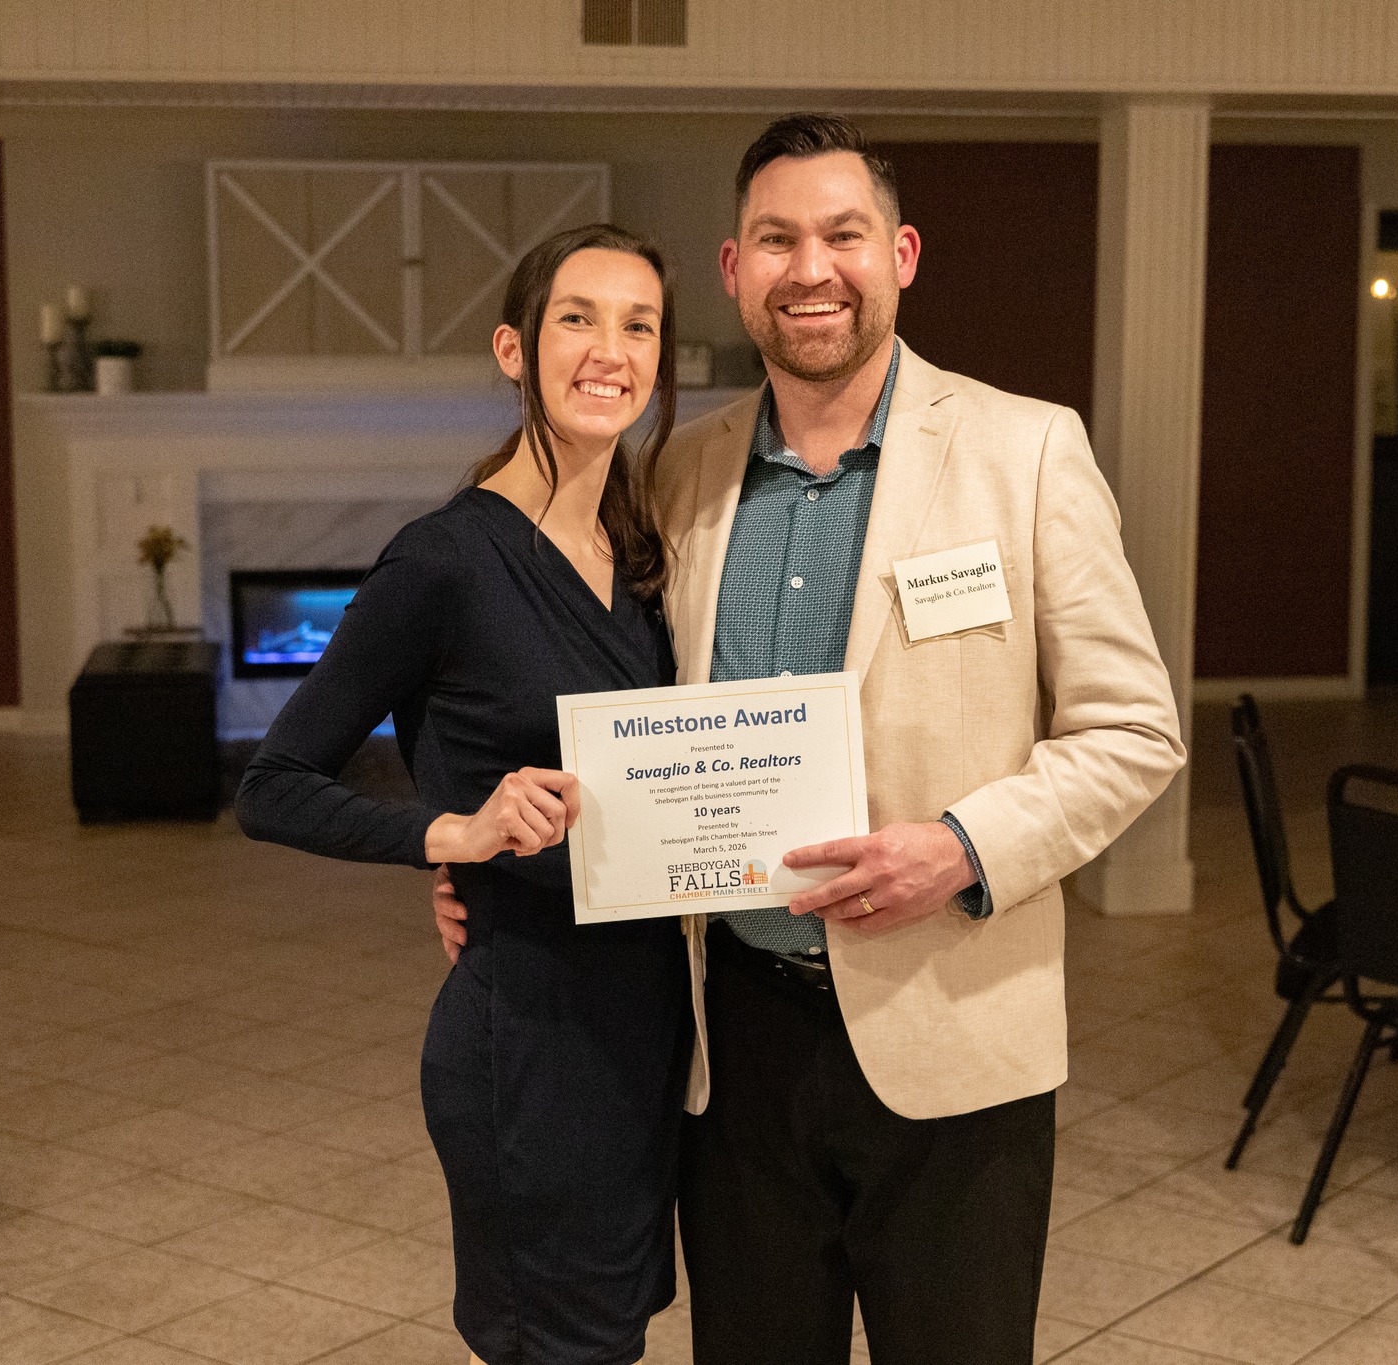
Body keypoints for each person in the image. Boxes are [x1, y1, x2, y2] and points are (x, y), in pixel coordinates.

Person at [438, 115, 1187, 1365]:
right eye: (774, 239)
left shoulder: (1024, 448)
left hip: (954, 1028)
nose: (810, 268)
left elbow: (1131, 729)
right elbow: (562, 695)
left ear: (897, 254)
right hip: (731, 1050)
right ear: (733, 272)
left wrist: (957, 847)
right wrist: (464, 842)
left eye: (842, 235)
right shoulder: (676, 472)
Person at [238, 224, 689, 1365]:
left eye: (638, 325)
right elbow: (273, 785)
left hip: (644, 1025)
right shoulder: (440, 560)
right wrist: (454, 833)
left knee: (612, 1333)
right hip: (529, 1041)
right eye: (576, 318)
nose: (609, 349)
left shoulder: (637, 551)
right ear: (512, 348)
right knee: (557, 1342)